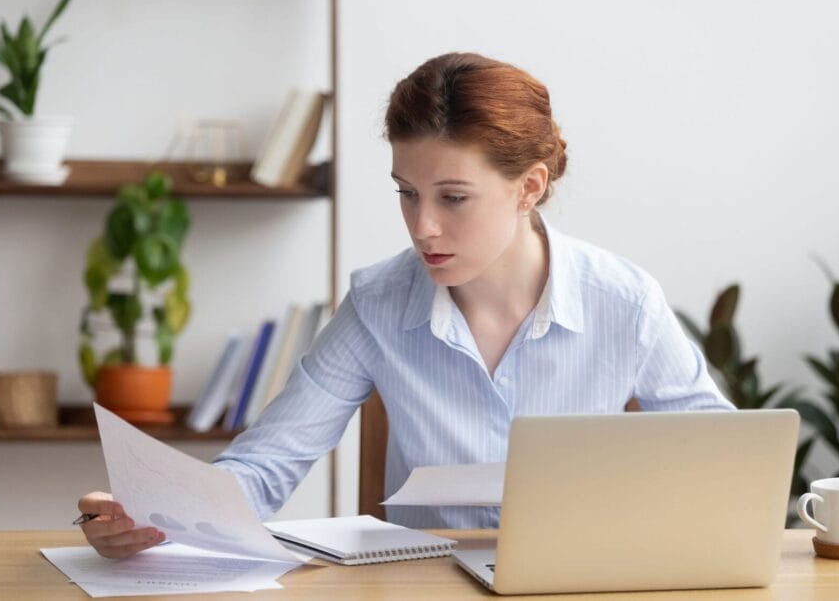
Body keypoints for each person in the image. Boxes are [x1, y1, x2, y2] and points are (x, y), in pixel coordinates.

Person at [76, 52, 734, 559]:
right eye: (406, 192)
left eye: (452, 197)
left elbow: (726, 465)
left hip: (582, 586)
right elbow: (268, 461)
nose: (422, 226)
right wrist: (159, 514)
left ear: (529, 186)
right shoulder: (378, 303)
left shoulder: (624, 304)